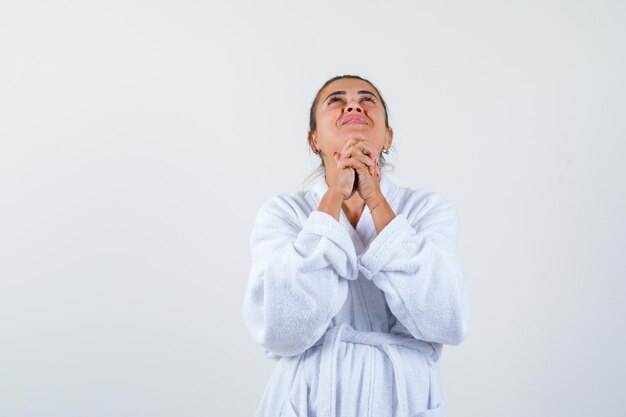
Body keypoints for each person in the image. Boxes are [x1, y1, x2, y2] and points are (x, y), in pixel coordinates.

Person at [242, 74, 470, 417]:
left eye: (368, 100)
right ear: (314, 139)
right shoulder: (284, 213)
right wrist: (334, 197)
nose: (353, 104)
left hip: (402, 399)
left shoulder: (426, 209)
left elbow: (447, 319)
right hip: (310, 400)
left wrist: (376, 201)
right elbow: (278, 329)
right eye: (336, 100)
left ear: (388, 135)